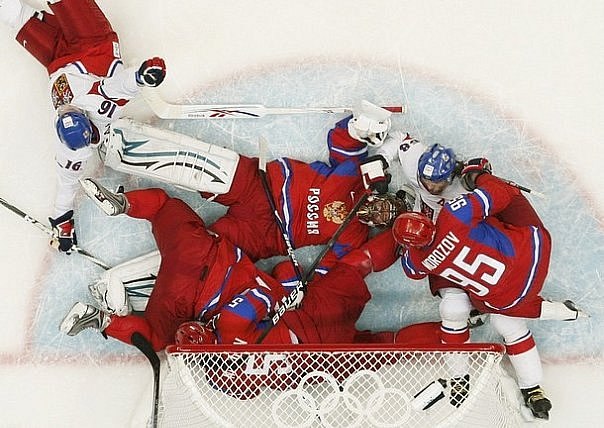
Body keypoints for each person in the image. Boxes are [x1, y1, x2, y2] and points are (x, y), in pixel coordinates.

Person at [59, 180, 403, 354]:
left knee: (163, 206)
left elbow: (273, 283)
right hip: (187, 279)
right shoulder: (223, 335)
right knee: (157, 338)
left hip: (202, 259)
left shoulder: (233, 331)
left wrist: (288, 294)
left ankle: (125, 203)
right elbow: (273, 284)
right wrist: (288, 292)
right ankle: (100, 319)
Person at [98, 101, 402, 275]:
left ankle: (120, 287)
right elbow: (343, 139)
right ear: (382, 192)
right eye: (385, 206)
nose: (377, 213)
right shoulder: (353, 174)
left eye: (383, 218)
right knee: (212, 169)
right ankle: (122, 145)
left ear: (379, 227)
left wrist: (303, 285)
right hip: (261, 185)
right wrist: (360, 127)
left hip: (265, 235)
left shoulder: (353, 236)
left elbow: (334, 272)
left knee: (203, 260)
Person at [391, 167, 587, 419]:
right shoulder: (453, 214)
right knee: (507, 197)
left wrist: (409, 247)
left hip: (506, 299)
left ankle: (472, 379)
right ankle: (549, 319)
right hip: (534, 254)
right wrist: (478, 175)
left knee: (478, 314)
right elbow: (501, 192)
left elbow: (411, 269)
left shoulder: (420, 259)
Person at [0, 0, 166, 253]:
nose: (65, 108)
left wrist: (62, 222)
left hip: (57, 59)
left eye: (63, 113)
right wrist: (142, 75)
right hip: (93, 43)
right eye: (72, 111)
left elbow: (66, 184)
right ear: (85, 119)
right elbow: (122, 85)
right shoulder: (102, 105)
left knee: (17, 17)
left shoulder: (69, 147)